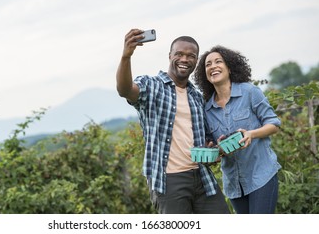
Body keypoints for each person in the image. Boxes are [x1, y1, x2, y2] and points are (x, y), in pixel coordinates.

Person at [116, 28, 230, 214]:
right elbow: (125, 90)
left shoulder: (196, 96)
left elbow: (205, 139)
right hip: (169, 180)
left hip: (202, 176)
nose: (185, 59)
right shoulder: (151, 86)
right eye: (179, 54)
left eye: (191, 56)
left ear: (196, 60)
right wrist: (126, 57)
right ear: (170, 56)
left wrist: (213, 149)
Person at [194, 45, 281, 214]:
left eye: (218, 62)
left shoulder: (250, 92)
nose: (213, 66)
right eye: (208, 64)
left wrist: (251, 134)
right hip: (234, 185)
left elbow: (274, 124)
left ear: (229, 67)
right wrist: (216, 150)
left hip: (261, 175)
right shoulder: (207, 109)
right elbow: (212, 143)